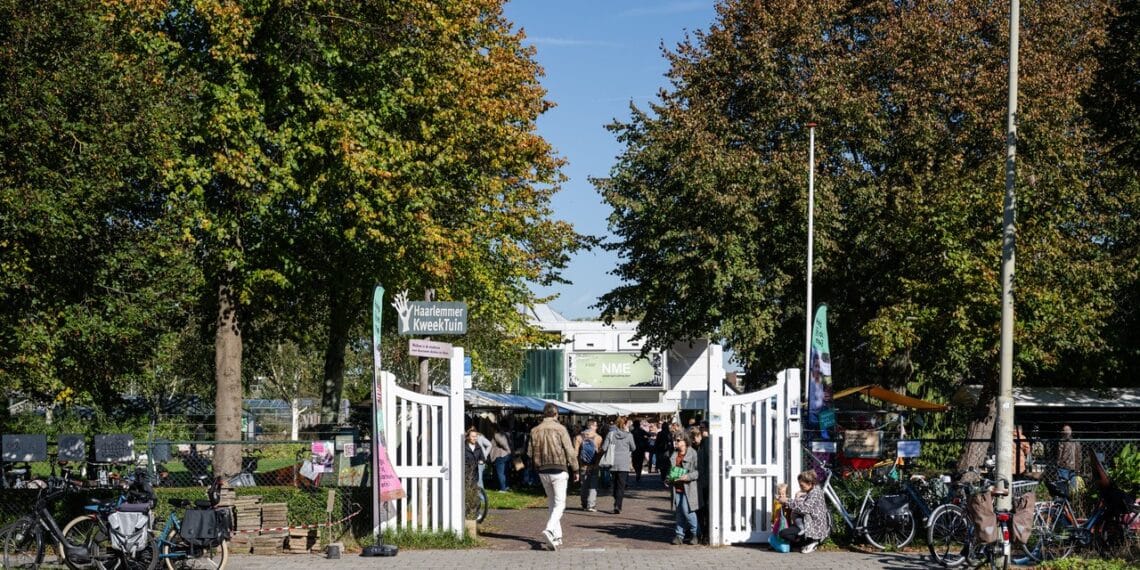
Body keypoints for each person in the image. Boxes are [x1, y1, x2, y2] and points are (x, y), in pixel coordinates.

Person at [527, 402, 580, 551]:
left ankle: (557, 536)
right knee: (560, 503)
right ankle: (550, 529)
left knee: (552, 502)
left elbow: (530, 453)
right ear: (556, 414)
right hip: (559, 468)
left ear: (544, 414)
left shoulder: (534, 430)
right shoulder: (561, 429)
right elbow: (569, 451)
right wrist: (575, 469)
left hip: (543, 470)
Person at [778, 469, 830, 553]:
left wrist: (787, 500)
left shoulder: (815, 493)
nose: (800, 487)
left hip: (812, 526)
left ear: (810, 483)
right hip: (805, 522)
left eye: (802, 485)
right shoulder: (813, 491)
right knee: (786, 533)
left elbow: (805, 508)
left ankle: (810, 541)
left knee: (783, 534)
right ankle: (804, 542)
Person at [668, 434, 700, 545]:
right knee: (679, 512)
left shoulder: (693, 454)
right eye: (675, 440)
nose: (676, 442)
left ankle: (695, 533)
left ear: (685, 442)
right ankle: (679, 535)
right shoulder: (674, 454)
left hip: (688, 488)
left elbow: (698, 471)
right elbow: (671, 470)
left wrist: (688, 477)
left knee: (688, 510)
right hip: (677, 487)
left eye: (678, 440)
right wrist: (668, 479)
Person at [601, 416, 637, 514]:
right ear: (625, 424)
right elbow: (633, 448)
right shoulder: (629, 435)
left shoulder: (610, 434)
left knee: (615, 483)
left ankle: (616, 500)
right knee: (621, 486)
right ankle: (618, 504)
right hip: (624, 463)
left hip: (612, 462)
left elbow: (604, 447)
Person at [575, 420, 603, 511]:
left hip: (583, 465)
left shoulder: (578, 437)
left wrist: (576, 464)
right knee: (593, 485)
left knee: (584, 485)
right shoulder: (598, 438)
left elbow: (575, 453)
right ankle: (591, 505)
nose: (597, 427)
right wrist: (597, 463)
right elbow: (599, 453)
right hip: (594, 465)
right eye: (595, 426)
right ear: (591, 426)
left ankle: (584, 503)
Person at [690, 427, 710, 544]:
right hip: (701, 481)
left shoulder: (705, 443)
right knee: (701, 509)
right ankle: (702, 533)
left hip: (704, 481)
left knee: (704, 508)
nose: (693, 441)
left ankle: (705, 533)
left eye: (694, 438)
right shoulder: (698, 446)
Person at [1056, 424, 1082, 489]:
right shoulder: (1076, 442)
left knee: (1062, 486)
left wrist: (1058, 464)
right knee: (1073, 488)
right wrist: (1078, 468)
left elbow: (1059, 455)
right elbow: (1079, 457)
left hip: (1063, 466)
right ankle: (1072, 498)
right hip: (1074, 467)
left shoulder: (1061, 441)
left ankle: (1064, 498)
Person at [489, 428, 513, 492]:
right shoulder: (507, 434)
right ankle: (506, 486)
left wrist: (508, 451)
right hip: (505, 455)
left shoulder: (497, 435)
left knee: (500, 473)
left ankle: (503, 489)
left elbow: (503, 443)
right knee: (505, 472)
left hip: (500, 455)